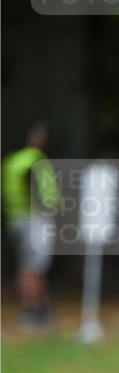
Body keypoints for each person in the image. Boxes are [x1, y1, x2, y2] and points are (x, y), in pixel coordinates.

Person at [2, 122, 61, 328]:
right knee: (34, 266)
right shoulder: (36, 160)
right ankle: (32, 309)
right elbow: (47, 195)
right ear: (35, 137)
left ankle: (39, 306)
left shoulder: (10, 162)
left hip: (14, 220)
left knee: (26, 265)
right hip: (35, 219)